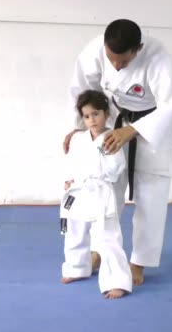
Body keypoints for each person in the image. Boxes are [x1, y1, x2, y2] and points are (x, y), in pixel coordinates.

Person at [62, 19, 172, 286]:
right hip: (115, 117)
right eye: (111, 59)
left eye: (124, 61)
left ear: (138, 49)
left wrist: (133, 131)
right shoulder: (94, 51)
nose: (116, 66)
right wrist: (80, 129)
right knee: (103, 187)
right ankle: (100, 251)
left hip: (154, 127)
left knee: (151, 195)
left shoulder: (158, 59)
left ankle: (138, 261)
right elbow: (82, 93)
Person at [60, 89, 132, 299]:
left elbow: (116, 168)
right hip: (79, 191)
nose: (92, 120)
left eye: (96, 114)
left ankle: (117, 281)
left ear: (106, 114)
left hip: (101, 191)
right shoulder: (78, 138)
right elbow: (71, 162)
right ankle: (76, 268)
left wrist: (101, 152)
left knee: (107, 237)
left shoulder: (112, 138)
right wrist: (69, 179)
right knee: (74, 231)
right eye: (87, 116)